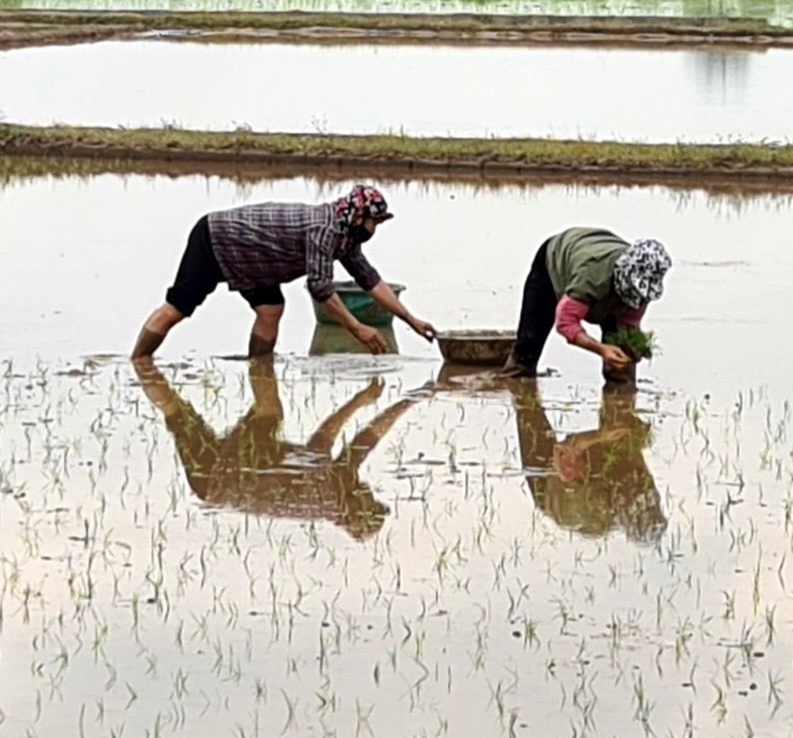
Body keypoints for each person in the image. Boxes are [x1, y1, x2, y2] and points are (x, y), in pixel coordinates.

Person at [132, 184, 434, 361]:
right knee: (178, 308)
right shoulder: (324, 229)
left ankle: (259, 370)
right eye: (374, 222)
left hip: (254, 260)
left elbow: (371, 281)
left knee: (271, 310)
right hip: (217, 238)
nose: (375, 229)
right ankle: (138, 362)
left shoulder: (347, 237)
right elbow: (321, 289)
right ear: (358, 216)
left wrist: (412, 321)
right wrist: (358, 329)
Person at [134, 360, 415, 540]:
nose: (369, 491)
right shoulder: (335, 493)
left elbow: (326, 437)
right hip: (211, 486)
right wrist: (408, 402)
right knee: (177, 416)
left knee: (269, 411)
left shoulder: (328, 493)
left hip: (222, 477)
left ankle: (260, 361)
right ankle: (143, 366)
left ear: (358, 507)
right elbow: (368, 440)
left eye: (370, 500)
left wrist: (362, 400)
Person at [500, 228, 671, 379]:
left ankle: (618, 408)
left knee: (621, 363)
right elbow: (566, 323)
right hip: (555, 261)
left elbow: (629, 324)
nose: (637, 299)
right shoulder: (592, 276)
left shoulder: (642, 292)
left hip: (597, 265)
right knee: (526, 353)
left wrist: (636, 346)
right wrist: (601, 349)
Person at [510, 381, 665, 544]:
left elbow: (564, 449)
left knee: (526, 404)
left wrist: (600, 436)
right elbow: (634, 447)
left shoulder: (591, 503)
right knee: (619, 423)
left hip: (550, 484)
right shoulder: (642, 486)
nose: (638, 479)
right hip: (593, 472)